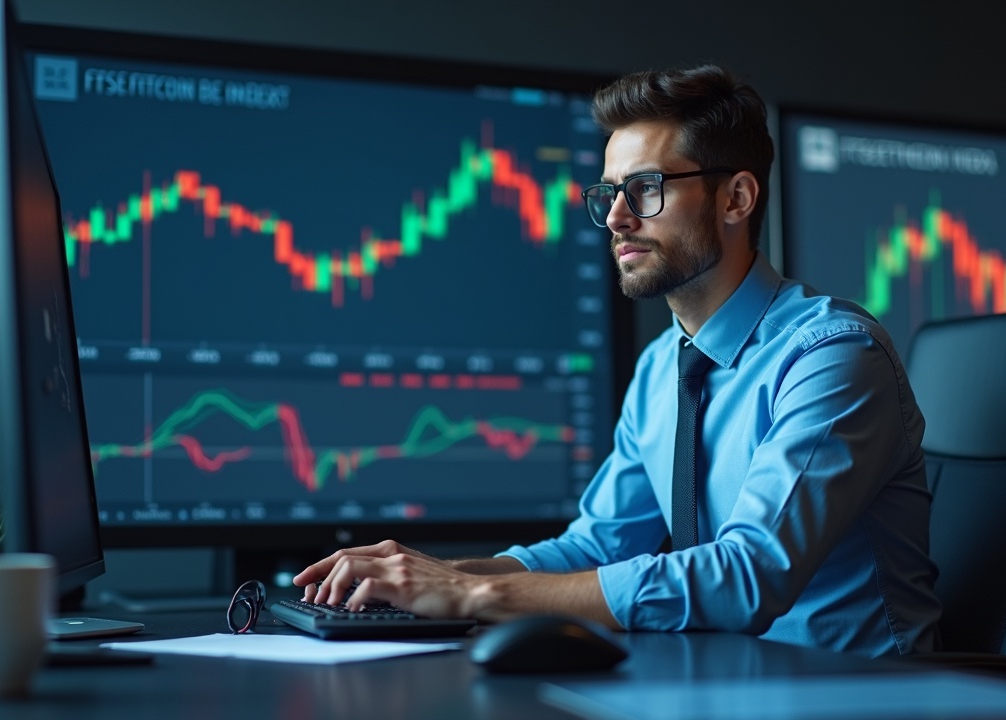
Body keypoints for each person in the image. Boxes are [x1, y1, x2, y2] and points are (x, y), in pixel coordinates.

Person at [294, 64, 942, 657]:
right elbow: (596, 546)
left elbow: (750, 576)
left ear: (736, 199)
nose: (616, 219)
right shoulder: (664, 366)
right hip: (723, 681)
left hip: (855, 691)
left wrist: (472, 596)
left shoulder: (832, 356)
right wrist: (428, 576)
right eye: (608, 193)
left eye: (645, 188)